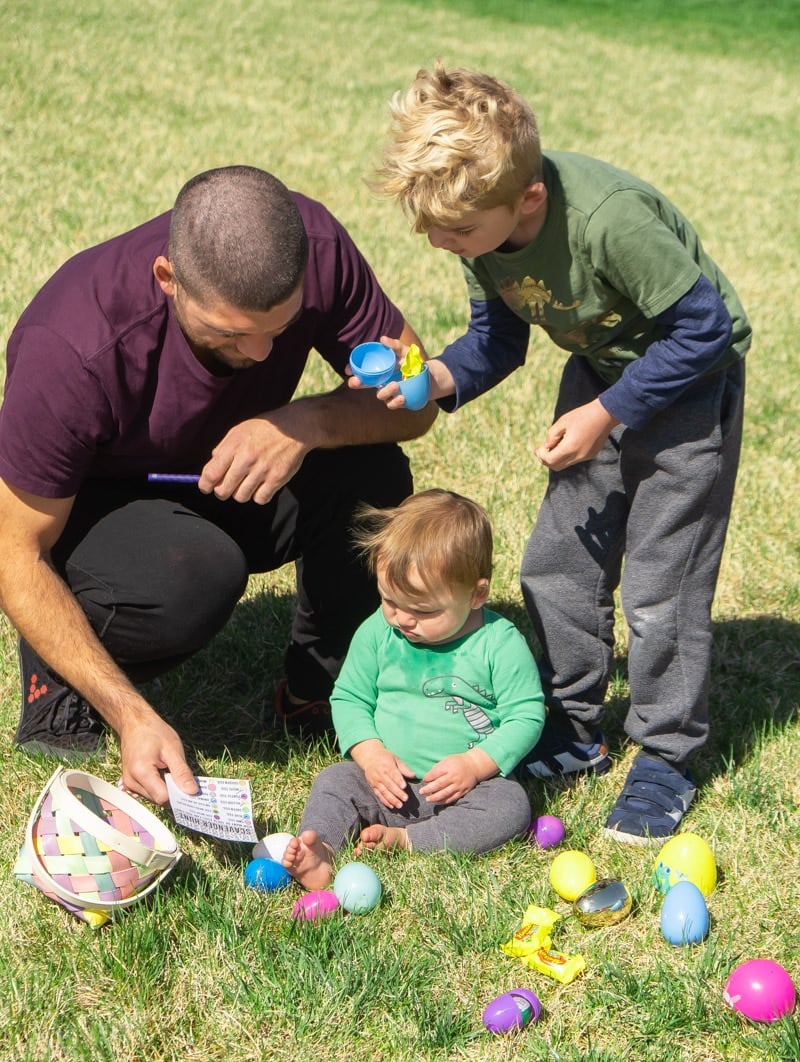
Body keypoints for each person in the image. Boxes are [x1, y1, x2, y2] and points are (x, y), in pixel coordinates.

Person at [367, 63, 751, 846]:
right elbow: (495, 339)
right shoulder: (482, 225)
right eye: (431, 228)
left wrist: (607, 414)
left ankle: (669, 755)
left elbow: (703, 328)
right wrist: (433, 380)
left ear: (528, 198)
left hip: (688, 387)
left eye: (455, 231)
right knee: (556, 564)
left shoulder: (611, 221)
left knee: (660, 582)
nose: (437, 241)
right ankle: (573, 727)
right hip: (601, 378)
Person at [0, 165, 436, 805]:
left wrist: (303, 421)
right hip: (96, 510)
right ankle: (59, 682)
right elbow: (16, 554)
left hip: (228, 468)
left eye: (280, 328)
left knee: (373, 473)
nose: (261, 355)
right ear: (168, 279)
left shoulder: (315, 247)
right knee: (198, 575)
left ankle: (319, 686)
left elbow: (416, 403)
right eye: (232, 333)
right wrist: (130, 713)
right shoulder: (70, 345)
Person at [281, 489, 545, 890]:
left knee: (510, 805)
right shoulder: (378, 631)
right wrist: (370, 755)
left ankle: (409, 840)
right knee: (335, 781)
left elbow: (526, 713)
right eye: (389, 600)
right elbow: (350, 697)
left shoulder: (499, 642)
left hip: (465, 790)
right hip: (386, 783)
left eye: (423, 610)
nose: (402, 618)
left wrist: (476, 765)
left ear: (477, 593)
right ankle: (322, 853)